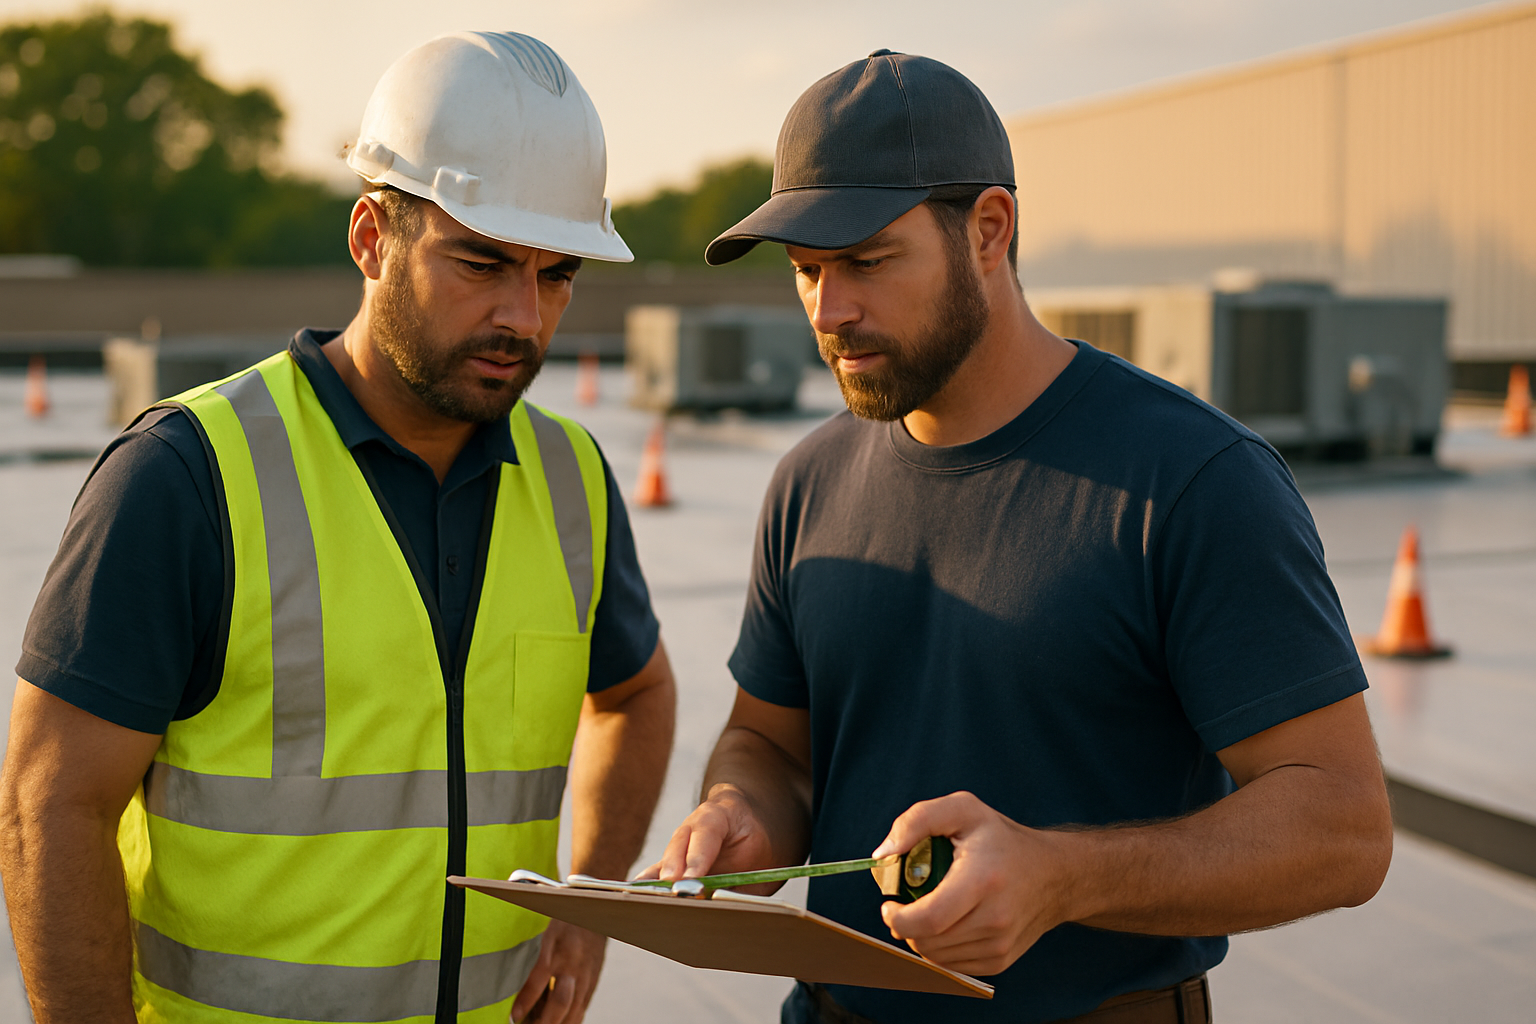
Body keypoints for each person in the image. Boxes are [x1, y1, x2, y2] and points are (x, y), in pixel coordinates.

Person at [645, 49, 1393, 1024]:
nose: (830, 311)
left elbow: (1342, 828)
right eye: (806, 272)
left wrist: (1064, 877)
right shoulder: (808, 482)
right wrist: (741, 811)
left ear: (989, 229)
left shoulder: (1190, 480)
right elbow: (768, 745)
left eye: (867, 261)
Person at [0, 31, 674, 1024]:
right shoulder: (186, 476)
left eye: (556, 274)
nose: (524, 318)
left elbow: (638, 694)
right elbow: (49, 807)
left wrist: (590, 903)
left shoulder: (570, 477)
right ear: (371, 237)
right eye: (482, 262)